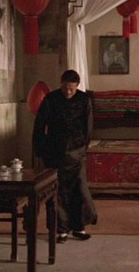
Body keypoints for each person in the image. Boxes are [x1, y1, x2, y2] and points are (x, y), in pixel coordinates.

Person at [32, 69, 97, 243]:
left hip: (77, 151)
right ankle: (60, 230)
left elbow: (88, 127)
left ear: (77, 86)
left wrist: (83, 148)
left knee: (79, 189)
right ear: (61, 84)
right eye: (65, 87)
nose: (68, 92)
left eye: (71, 88)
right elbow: (39, 125)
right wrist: (39, 150)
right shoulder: (51, 99)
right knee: (58, 191)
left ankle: (79, 227)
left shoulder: (84, 99)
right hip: (54, 151)